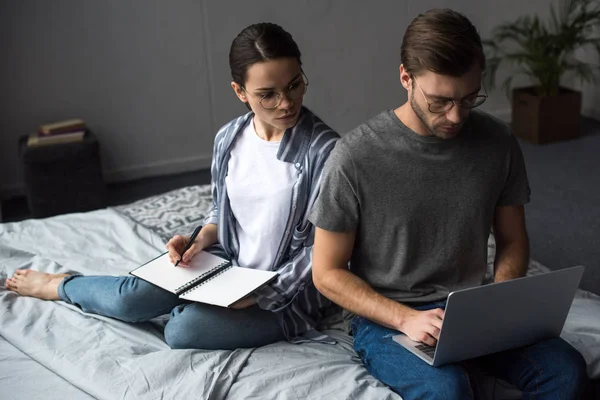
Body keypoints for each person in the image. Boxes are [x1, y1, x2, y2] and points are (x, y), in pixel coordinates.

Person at [6, 22, 339, 350]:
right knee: (130, 300)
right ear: (240, 92)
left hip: (284, 295)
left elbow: (320, 251)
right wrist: (202, 238)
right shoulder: (229, 138)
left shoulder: (327, 152)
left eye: (294, 85)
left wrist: (258, 294)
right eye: (267, 95)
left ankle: (199, 308)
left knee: (181, 329)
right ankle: (62, 285)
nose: (285, 103)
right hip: (226, 263)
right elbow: (221, 210)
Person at [309, 9, 587, 399]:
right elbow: (326, 272)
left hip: (472, 308)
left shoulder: (498, 142)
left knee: (566, 371)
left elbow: (512, 239)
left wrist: (500, 302)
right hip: (390, 315)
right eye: (440, 101)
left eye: (470, 97)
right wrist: (405, 318)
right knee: (448, 389)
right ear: (406, 78)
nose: (457, 116)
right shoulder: (354, 157)